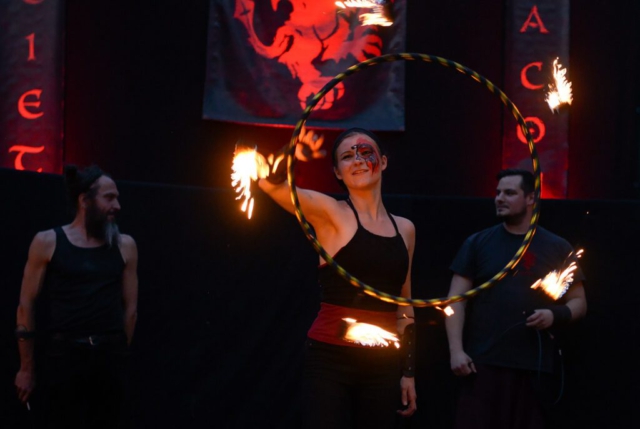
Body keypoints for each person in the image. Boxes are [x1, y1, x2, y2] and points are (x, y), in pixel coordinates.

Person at [259, 128, 417, 428]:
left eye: (365, 152)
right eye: (347, 156)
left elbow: (405, 306)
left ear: (382, 161)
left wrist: (408, 371)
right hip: (330, 360)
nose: (357, 160)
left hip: (383, 364)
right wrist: (291, 150)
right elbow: (270, 184)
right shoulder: (329, 212)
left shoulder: (405, 229)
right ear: (337, 172)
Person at [445, 168, 587, 429]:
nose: (500, 198)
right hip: (482, 366)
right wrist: (456, 351)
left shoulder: (556, 247)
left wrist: (554, 315)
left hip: (534, 369)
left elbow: (579, 302)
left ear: (531, 198)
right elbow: (455, 301)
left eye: (509, 193)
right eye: (498, 192)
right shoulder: (478, 243)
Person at [14, 164, 138, 429]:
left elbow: (131, 310)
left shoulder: (124, 245)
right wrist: (26, 368)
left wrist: (117, 353)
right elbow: (26, 306)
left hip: (108, 358)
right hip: (64, 358)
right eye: (109, 197)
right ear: (85, 200)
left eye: (117, 197)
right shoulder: (48, 241)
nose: (117, 205)